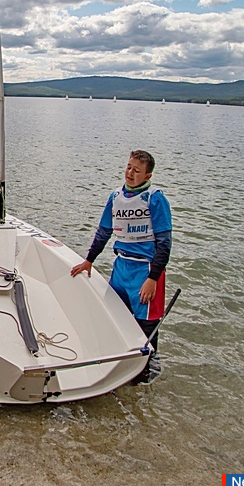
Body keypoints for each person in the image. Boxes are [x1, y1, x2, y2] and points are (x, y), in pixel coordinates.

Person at [70, 149, 172, 384]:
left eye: (137, 170)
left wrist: (153, 278)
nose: (130, 173)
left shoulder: (155, 198)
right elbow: (104, 231)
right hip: (121, 266)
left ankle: (146, 371)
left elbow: (165, 243)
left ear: (147, 176)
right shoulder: (115, 196)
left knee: (146, 323)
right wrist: (89, 260)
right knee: (116, 316)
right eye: (128, 167)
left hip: (145, 270)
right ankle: (117, 365)